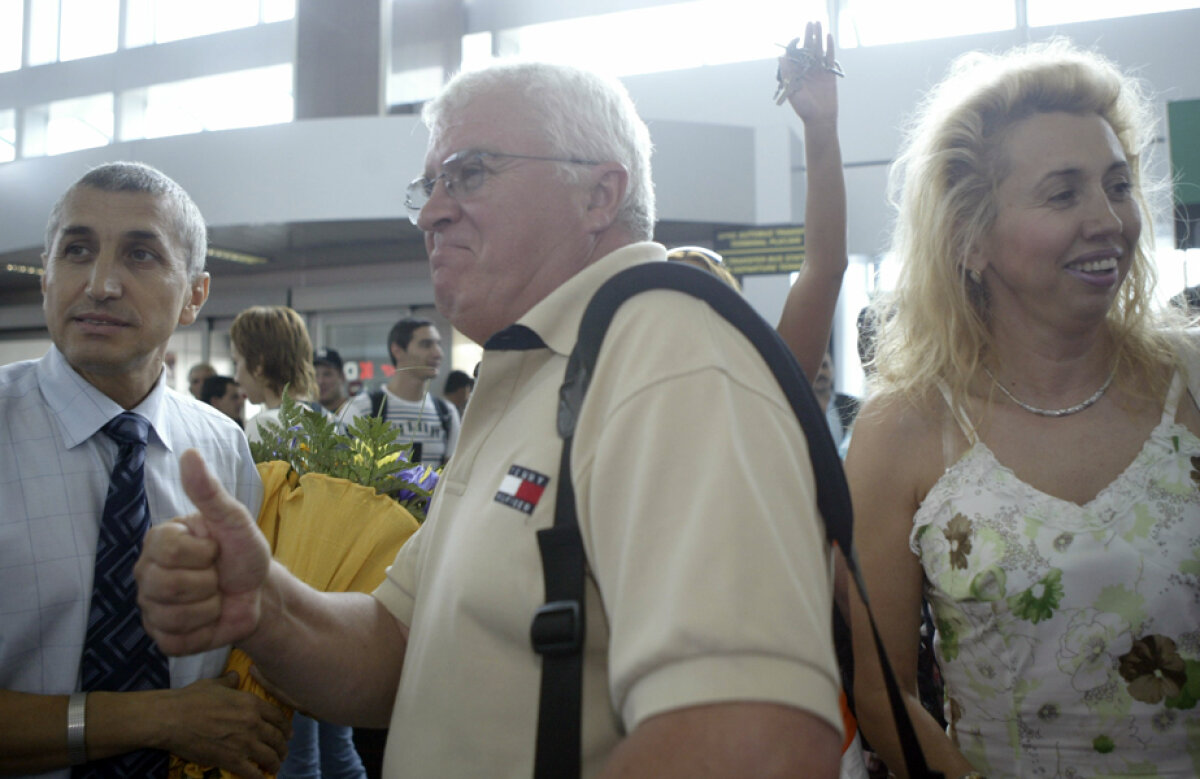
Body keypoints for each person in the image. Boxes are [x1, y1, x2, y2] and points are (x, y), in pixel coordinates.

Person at [136, 56, 844, 777]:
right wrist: (263, 604)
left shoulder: (665, 355)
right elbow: (399, 646)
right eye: (429, 186)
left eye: (470, 174)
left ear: (600, 194)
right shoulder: (537, 370)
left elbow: (752, 740)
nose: (432, 212)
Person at [845, 40, 1200, 777]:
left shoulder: (1190, 382)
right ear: (970, 239)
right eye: (1063, 194)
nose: (1109, 219)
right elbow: (881, 689)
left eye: (1118, 185)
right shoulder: (903, 430)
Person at [0, 161, 285, 778]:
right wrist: (155, 719)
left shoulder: (223, 449)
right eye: (77, 250)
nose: (100, 284)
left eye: (141, 255)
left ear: (194, 296)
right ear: (45, 275)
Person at [343, 317, 460, 466]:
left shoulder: (446, 413)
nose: (438, 353)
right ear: (397, 350)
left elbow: (452, 472)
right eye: (426, 345)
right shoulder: (362, 408)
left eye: (438, 344)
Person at [229, 305, 319, 445]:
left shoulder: (264, 424)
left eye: (237, 362)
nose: (236, 378)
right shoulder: (331, 420)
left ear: (258, 365)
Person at [313, 347, 352, 419]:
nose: (320, 381)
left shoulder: (354, 413)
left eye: (327, 374)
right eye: (315, 375)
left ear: (342, 377)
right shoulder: (305, 415)